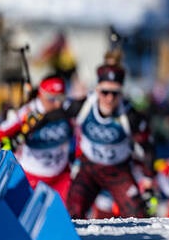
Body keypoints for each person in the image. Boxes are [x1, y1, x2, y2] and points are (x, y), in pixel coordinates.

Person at [65, 61, 156, 218]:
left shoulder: (130, 116)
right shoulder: (82, 107)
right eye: (105, 92)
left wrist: (148, 178)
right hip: (89, 169)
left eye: (115, 93)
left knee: (138, 215)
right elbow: (56, 117)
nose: (109, 98)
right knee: (72, 211)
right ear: (97, 90)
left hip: (118, 171)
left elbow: (147, 146)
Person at [0, 74, 74, 203]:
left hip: (61, 176)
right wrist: (11, 141)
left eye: (61, 98)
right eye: (51, 99)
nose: (57, 104)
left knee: (69, 211)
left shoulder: (67, 109)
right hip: (31, 177)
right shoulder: (27, 112)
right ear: (41, 95)